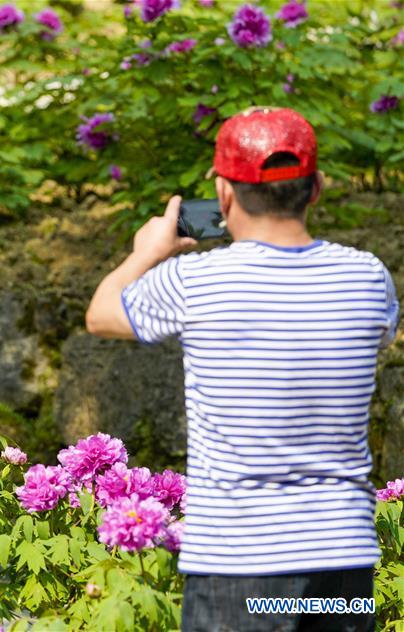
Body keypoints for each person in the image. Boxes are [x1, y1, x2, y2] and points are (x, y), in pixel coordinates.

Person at [86, 107, 399, 631]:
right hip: (344, 565)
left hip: (240, 567)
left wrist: (148, 251)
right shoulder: (368, 278)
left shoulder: (195, 280)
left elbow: (101, 314)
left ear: (225, 195)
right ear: (316, 188)